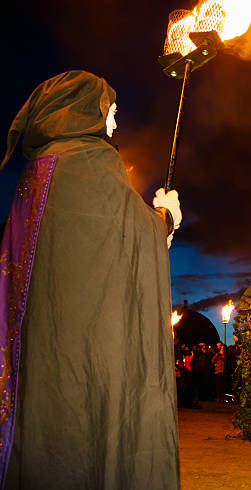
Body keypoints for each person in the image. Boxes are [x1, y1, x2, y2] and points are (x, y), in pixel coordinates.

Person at [0, 71, 181, 489]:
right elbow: (133, 240)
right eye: (111, 113)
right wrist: (166, 216)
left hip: (44, 353)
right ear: (83, 111)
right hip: (90, 353)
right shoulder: (92, 160)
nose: (115, 125)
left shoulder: (39, 170)